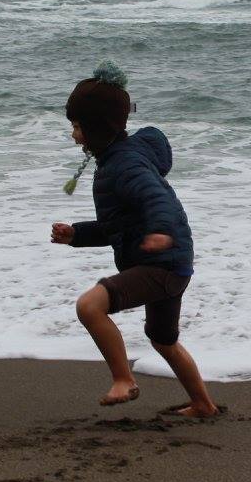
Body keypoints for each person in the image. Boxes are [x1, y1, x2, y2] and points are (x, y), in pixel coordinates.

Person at [51, 63, 219, 418]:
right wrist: (77, 234)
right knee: (163, 339)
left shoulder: (125, 165)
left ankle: (123, 379)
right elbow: (118, 226)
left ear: (99, 128)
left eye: (78, 126)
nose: (74, 135)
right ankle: (204, 404)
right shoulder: (118, 159)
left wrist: (161, 231)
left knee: (89, 306)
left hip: (161, 263)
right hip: (172, 262)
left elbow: (155, 198)